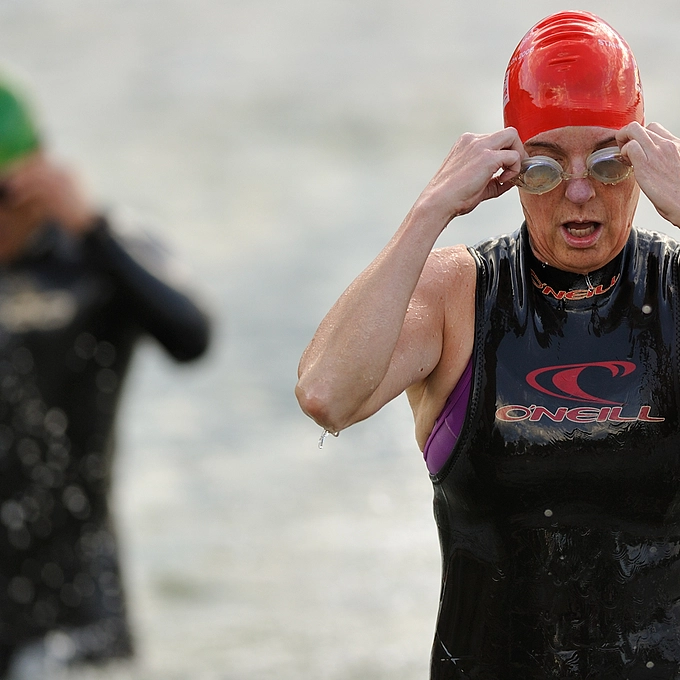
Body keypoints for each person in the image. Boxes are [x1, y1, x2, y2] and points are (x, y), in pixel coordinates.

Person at [296, 10, 680, 678]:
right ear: (512, 169)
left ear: (644, 160)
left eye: (608, 162)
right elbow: (327, 394)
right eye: (546, 167)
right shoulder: (458, 296)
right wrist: (431, 208)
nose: (579, 190)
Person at [0, 78, 212, 677]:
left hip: (78, 610)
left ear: (38, 179)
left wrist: (92, 226)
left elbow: (192, 335)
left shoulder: (98, 260)